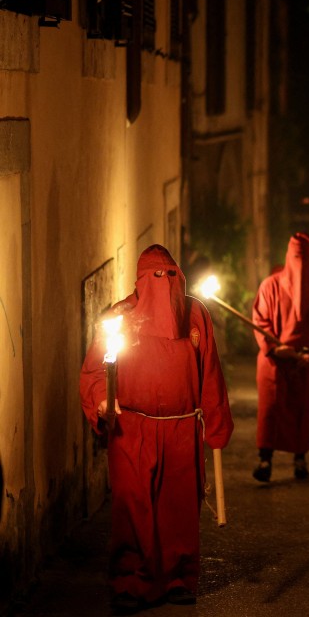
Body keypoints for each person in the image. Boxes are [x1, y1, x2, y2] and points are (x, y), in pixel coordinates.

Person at [79, 245, 233, 612]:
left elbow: (210, 371)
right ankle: (130, 580)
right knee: (133, 506)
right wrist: (102, 399)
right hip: (132, 429)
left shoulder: (195, 315)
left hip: (180, 428)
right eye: (155, 276)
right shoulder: (120, 316)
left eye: (169, 275)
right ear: (140, 280)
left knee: (178, 506)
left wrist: (215, 423)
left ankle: (179, 578)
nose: (163, 285)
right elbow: (95, 370)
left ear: (178, 277)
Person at [251, 232, 309, 481]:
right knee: (271, 410)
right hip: (275, 362)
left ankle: (300, 459)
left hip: (305, 362)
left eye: (304, 259)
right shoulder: (270, 285)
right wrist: (275, 349)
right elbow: (260, 321)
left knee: (303, 410)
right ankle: (265, 460)